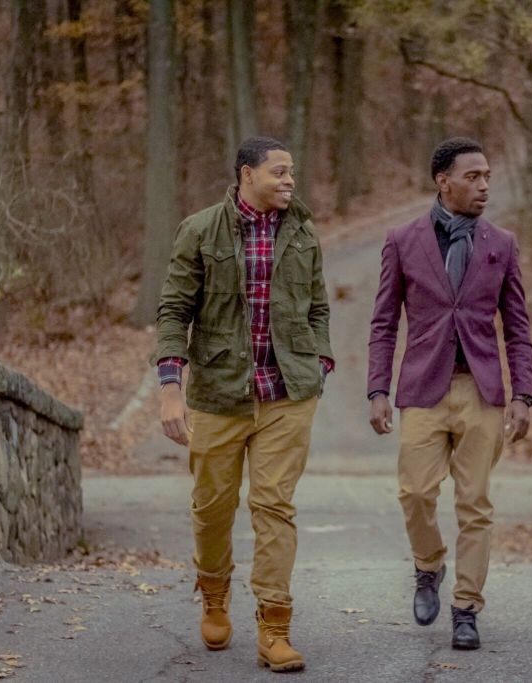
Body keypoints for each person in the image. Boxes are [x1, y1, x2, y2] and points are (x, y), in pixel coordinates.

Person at [154, 136, 333, 673]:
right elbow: (172, 310)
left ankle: (274, 627)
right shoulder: (200, 230)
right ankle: (213, 595)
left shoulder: (302, 233)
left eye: (293, 173)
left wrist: (319, 362)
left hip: (286, 396)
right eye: (279, 172)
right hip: (218, 395)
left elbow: (319, 307)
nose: (289, 181)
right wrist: (170, 386)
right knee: (212, 508)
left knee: (274, 506)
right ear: (245, 174)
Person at [367, 137, 532, 650]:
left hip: (482, 390)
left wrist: (522, 394)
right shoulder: (402, 240)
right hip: (422, 386)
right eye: (473, 176)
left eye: (488, 175)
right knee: (415, 494)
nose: (485, 184)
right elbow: (382, 323)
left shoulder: (501, 244)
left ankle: (466, 607)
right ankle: (428, 565)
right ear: (444, 181)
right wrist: (377, 387)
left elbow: (519, 327)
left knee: (475, 503)